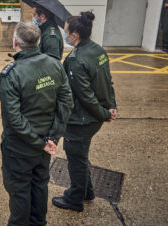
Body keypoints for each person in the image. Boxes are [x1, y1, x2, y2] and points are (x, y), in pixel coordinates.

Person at [0, 21, 73, 225]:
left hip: (20, 147)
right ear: (37, 41)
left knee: (20, 192)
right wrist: (52, 137)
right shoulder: (54, 64)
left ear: (15, 43)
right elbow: (66, 103)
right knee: (39, 185)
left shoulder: (10, 74)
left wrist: (41, 141)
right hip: (45, 144)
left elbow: (14, 119)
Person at [52, 11, 117, 212]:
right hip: (95, 116)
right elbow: (108, 81)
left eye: (66, 32)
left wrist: (105, 114)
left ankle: (74, 198)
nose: (65, 35)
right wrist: (111, 107)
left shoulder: (76, 60)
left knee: (76, 160)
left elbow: (85, 96)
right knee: (81, 155)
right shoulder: (98, 50)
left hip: (81, 121)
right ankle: (87, 191)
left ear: (75, 36)